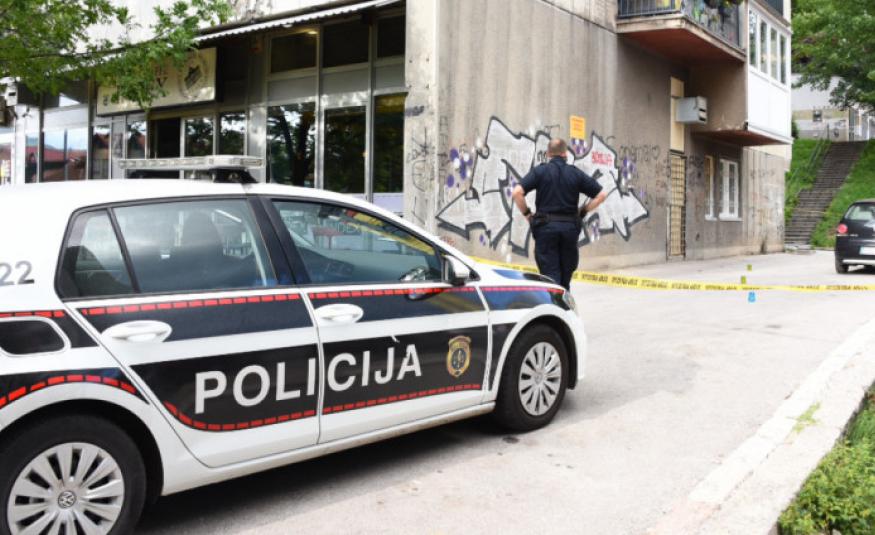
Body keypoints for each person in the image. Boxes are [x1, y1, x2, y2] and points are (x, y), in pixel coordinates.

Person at [511, 138, 607, 290]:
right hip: (570, 229)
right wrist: (583, 210)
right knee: (565, 278)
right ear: (565, 153)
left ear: (548, 154)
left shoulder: (540, 171)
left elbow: (517, 193)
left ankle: (554, 302)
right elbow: (601, 195)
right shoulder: (575, 173)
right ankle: (562, 302)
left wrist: (528, 215)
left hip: (545, 229)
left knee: (550, 278)